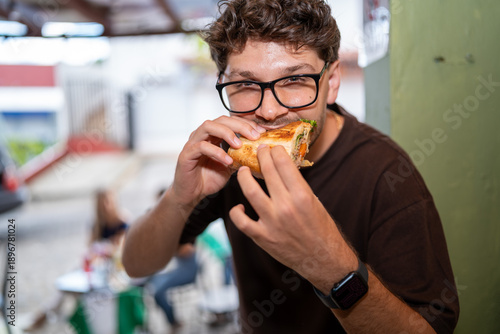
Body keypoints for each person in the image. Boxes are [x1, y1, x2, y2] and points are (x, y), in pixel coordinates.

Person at [122, 0, 460, 333]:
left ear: (333, 82)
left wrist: (331, 267)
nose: (269, 111)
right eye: (245, 85)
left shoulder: (388, 176)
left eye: (294, 80)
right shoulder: (224, 161)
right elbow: (136, 264)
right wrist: (179, 198)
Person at [146, 189, 198, 331]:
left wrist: (166, 246)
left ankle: (173, 322)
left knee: (157, 291)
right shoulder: (165, 222)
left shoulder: (183, 220)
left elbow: (188, 251)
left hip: (187, 269)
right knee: (148, 283)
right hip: (173, 267)